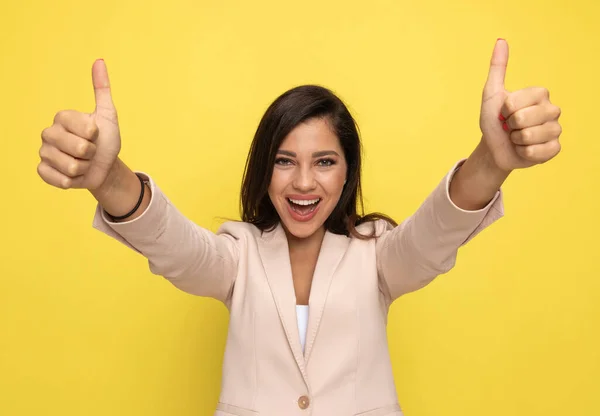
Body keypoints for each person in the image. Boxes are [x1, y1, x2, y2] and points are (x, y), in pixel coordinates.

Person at [37, 39, 562, 415]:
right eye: (285, 160)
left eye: (325, 162)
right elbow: (177, 249)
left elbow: (434, 234)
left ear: (348, 170)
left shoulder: (376, 255)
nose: (303, 183)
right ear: (264, 169)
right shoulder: (237, 254)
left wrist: (491, 162)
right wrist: (108, 178)